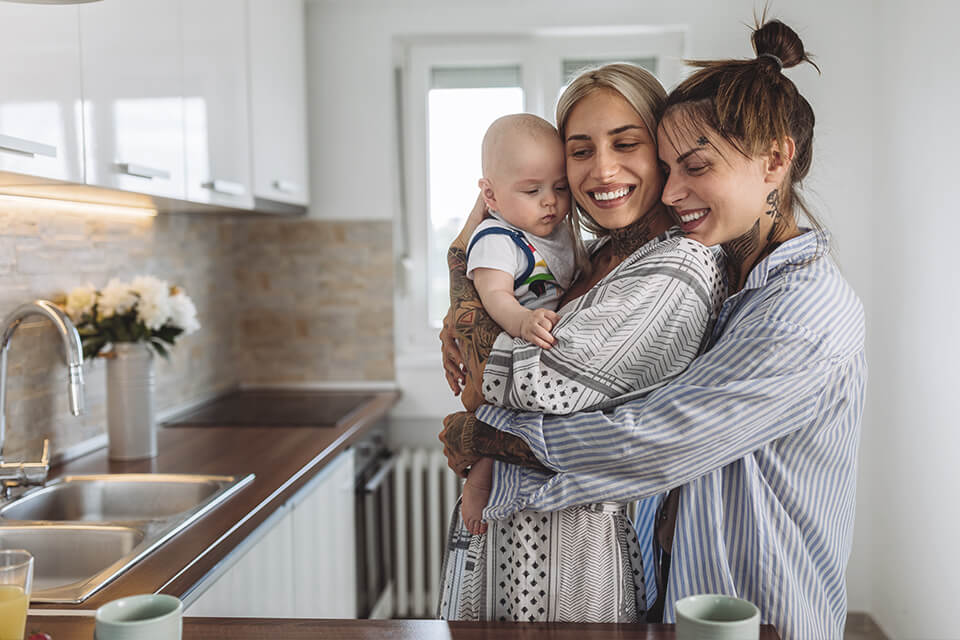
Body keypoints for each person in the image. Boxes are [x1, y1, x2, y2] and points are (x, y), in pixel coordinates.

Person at [439, 18, 866, 640]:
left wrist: (489, 437)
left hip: (762, 607)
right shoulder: (733, 278)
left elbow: (654, 441)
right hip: (688, 598)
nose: (672, 189)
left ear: (775, 161)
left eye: (694, 166)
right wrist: (471, 291)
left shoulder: (800, 311)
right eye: (669, 168)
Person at [438, 63, 725, 623]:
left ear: (660, 151)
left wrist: (458, 271)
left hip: (570, 566)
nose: (602, 169)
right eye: (581, 150)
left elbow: (527, 382)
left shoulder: (676, 266)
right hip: (507, 541)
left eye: (626, 142)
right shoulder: (589, 257)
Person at [459, 114, 583, 536]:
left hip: (541, 347)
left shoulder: (558, 231)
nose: (550, 201)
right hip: (509, 348)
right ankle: (477, 484)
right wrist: (522, 319)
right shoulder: (498, 238)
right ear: (491, 194)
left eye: (560, 187)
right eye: (532, 190)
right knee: (495, 423)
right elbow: (494, 295)